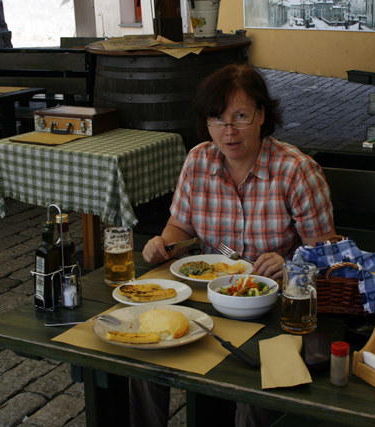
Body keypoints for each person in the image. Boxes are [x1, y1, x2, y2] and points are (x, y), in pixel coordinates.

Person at [141, 62, 336, 427]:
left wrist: (290, 266)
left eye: (240, 117)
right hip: (206, 302)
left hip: (275, 311)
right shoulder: (199, 160)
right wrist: (163, 245)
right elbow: (179, 226)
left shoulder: (296, 170)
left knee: (253, 393)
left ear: (262, 115)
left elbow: (328, 253)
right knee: (144, 354)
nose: (228, 132)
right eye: (217, 120)